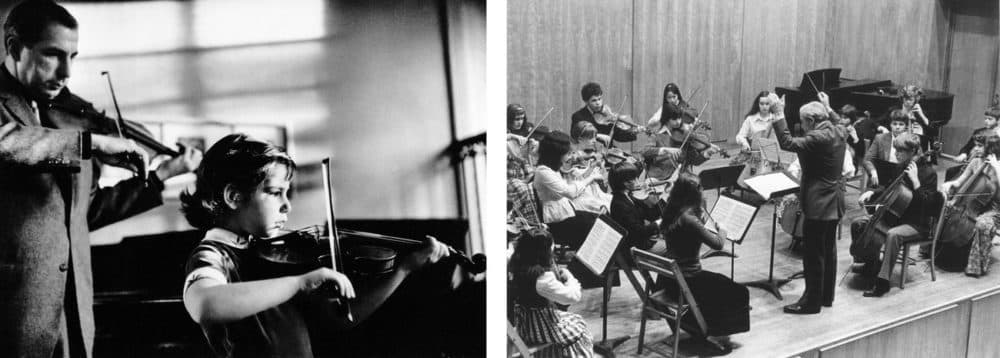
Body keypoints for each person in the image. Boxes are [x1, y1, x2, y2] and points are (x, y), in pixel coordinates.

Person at [0, 2, 200, 357]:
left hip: (72, 316)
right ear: (15, 47)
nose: (66, 72)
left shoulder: (68, 118)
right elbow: (9, 142)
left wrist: (160, 177)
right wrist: (91, 143)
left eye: (73, 56)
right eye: (52, 54)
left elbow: (84, 215)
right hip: (12, 316)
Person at [180, 134, 463, 357]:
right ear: (233, 196)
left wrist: (403, 269)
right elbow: (204, 304)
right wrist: (298, 283)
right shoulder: (212, 254)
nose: (287, 205)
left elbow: (344, 318)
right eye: (275, 193)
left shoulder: (271, 255)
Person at [771, 92, 847, 314]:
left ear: (811, 121)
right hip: (834, 201)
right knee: (829, 250)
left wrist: (778, 113)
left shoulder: (817, 137)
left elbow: (786, 142)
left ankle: (811, 302)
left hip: (817, 204)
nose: (802, 127)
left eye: (803, 122)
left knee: (813, 255)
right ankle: (825, 297)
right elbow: (839, 120)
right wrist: (828, 106)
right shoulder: (839, 130)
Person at [657, 173, 750, 341]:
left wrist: (700, 208)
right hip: (686, 281)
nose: (703, 190)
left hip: (668, 279)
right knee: (740, 291)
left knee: (719, 283)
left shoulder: (671, 210)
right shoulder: (689, 219)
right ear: (694, 193)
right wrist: (723, 229)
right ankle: (713, 330)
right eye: (700, 188)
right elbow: (718, 244)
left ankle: (697, 324)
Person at [851, 133, 938, 297]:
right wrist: (871, 192)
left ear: (913, 151)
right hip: (897, 216)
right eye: (896, 150)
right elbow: (888, 188)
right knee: (858, 223)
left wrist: (916, 183)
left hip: (917, 223)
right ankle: (871, 264)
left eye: (901, 151)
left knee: (892, 235)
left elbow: (929, 206)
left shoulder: (928, 172)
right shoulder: (900, 166)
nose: (897, 154)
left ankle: (883, 283)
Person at [509, 228, 594, 358]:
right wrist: (570, 277)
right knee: (579, 326)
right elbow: (573, 297)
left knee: (571, 318)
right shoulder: (542, 279)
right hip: (540, 328)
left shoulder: (517, 264)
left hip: (525, 323)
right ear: (543, 252)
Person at [940, 135, 1000, 277]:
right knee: (945, 209)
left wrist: (997, 169)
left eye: (980, 146)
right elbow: (961, 181)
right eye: (976, 145)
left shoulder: (998, 166)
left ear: (991, 149)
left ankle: (975, 266)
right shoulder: (975, 162)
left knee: (982, 224)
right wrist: (950, 184)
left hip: (994, 209)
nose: (975, 149)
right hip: (972, 205)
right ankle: (936, 251)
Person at [532, 130, 602, 249]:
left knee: (601, 220)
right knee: (595, 226)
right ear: (556, 154)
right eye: (567, 153)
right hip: (555, 222)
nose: (570, 156)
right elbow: (571, 192)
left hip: (564, 214)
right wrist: (590, 178)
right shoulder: (543, 171)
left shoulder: (552, 168)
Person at [608, 161, 666, 256]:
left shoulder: (629, 196)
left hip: (640, 242)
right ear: (626, 183)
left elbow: (650, 215)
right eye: (635, 178)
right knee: (675, 247)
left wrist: (658, 197)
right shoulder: (620, 205)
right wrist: (658, 223)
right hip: (634, 248)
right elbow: (640, 232)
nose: (638, 181)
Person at [732, 91, 783, 180]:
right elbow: (740, 136)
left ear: (771, 105)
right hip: (756, 156)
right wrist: (745, 144)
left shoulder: (776, 119)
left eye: (767, 104)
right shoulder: (750, 119)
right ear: (758, 104)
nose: (764, 106)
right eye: (762, 104)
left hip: (773, 156)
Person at [570, 82, 639, 145]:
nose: (598, 103)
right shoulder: (578, 116)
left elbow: (618, 136)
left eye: (599, 99)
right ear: (586, 101)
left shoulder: (607, 115)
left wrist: (633, 132)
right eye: (594, 100)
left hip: (608, 151)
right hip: (589, 152)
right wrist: (598, 136)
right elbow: (575, 137)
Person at [947, 107, 1000, 180]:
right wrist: (963, 154)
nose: (986, 121)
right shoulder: (979, 132)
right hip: (972, 164)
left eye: (990, 119)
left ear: (998, 120)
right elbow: (967, 147)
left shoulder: (997, 137)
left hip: (989, 168)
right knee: (951, 171)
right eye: (985, 118)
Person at [864, 110, 912, 188]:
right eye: (894, 124)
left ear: (906, 126)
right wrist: (873, 171)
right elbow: (867, 159)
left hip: (901, 180)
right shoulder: (880, 138)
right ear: (890, 124)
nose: (897, 127)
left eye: (901, 124)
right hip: (882, 177)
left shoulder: (910, 140)